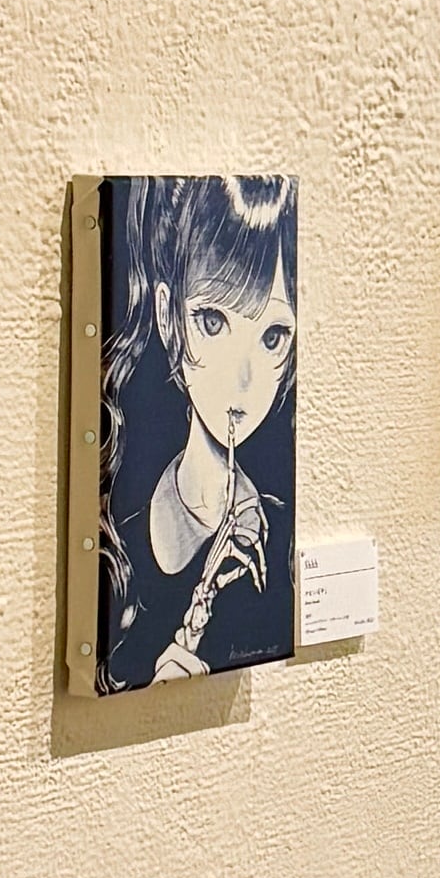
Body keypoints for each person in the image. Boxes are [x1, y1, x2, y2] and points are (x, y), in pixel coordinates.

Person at [96, 174, 297, 687]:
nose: (243, 380)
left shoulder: (276, 551)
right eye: (213, 322)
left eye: (272, 336)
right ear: (167, 316)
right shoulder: (119, 510)